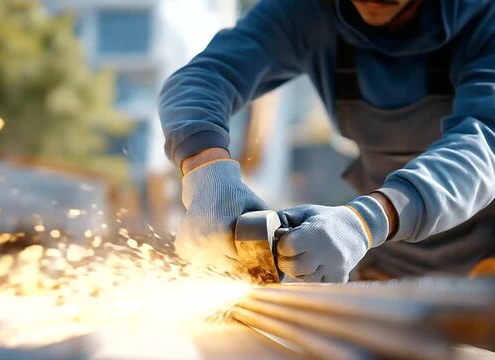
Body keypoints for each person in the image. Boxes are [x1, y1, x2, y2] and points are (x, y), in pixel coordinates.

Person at [158, 0, 495, 282]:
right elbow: (204, 78)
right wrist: (207, 172)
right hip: (391, 259)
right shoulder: (308, 12)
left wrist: (365, 221)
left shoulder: (485, 16)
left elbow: (483, 144)